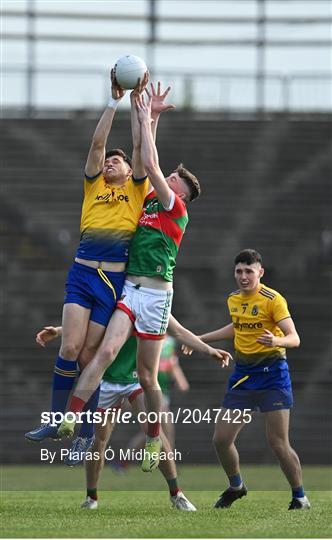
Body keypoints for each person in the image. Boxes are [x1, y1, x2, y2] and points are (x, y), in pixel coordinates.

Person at [57, 93, 212, 474]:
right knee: (106, 352)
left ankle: (155, 437)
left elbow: (150, 165)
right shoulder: (149, 202)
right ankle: (71, 418)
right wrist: (150, 118)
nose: (167, 178)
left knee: (146, 375)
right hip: (130, 290)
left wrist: (143, 114)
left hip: (158, 296)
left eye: (173, 179)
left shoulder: (175, 207)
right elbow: (145, 158)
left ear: (179, 193)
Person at [25, 73, 176, 463]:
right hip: (82, 272)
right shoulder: (94, 183)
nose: (111, 161)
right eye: (110, 159)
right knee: (70, 347)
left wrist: (138, 108)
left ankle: (82, 434)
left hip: (113, 278)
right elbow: (96, 143)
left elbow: (143, 148)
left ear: (130, 172)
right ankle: (56, 418)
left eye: (118, 160)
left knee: (90, 357)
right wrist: (113, 100)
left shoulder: (137, 189)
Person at [35, 314, 230, 511]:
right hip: (105, 380)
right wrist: (59, 331)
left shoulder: (151, 300)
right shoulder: (115, 299)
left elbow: (178, 330)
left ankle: (176, 494)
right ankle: (91, 497)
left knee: (155, 433)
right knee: (98, 442)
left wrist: (208, 350)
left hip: (135, 380)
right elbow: (86, 324)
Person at [190, 249, 310, 510]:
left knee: (278, 443)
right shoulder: (233, 299)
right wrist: (199, 340)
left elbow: (295, 338)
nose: (243, 276)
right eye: (239, 271)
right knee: (221, 439)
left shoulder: (272, 299)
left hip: (273, 376)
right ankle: (236, 486)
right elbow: (236, 327)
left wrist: (276, 340)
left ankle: (300, 497)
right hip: (243, 376)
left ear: (260, 272)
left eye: (249, 271)